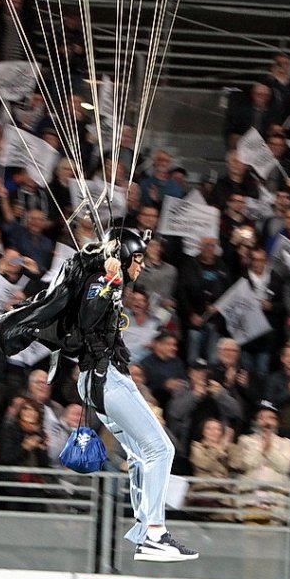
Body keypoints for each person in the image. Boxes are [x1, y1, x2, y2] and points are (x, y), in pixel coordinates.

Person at [75, 229, 198, 561]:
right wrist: (108, 282)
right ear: (127, 257)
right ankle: (155, 534)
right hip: (105, 379)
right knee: (161, 448)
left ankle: (146, 534)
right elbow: (87, 315)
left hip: (105, 379)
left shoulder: (111, 285)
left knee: (144, 456)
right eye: (139, 258)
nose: (143, 266)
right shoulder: (100, 284)